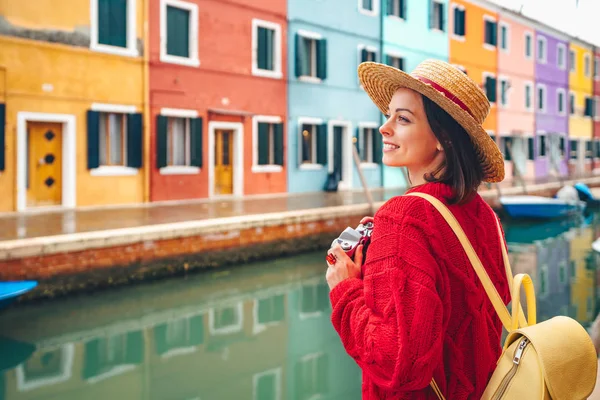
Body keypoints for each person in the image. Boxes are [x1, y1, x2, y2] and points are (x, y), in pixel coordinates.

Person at [325, 59, 511, 399]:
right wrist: (385, 260)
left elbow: (398, 364)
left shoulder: (403, 218)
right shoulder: (486, 217)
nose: (385, 128)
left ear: (443, 139)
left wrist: (346, 290)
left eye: (403, 119)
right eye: (388, 116)